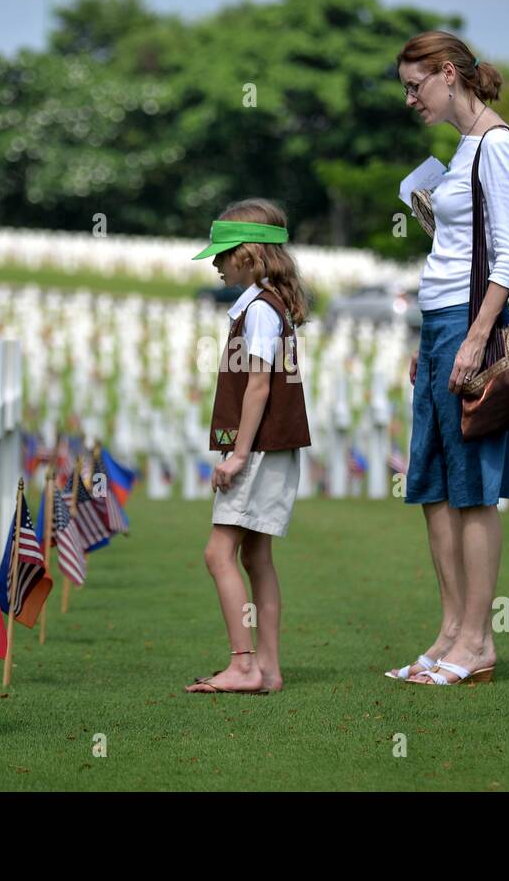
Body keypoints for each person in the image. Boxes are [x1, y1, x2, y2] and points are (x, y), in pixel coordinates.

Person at [389, 31, 509, 686]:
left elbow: (508, 257)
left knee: (473, 491)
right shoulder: (463, 148)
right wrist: (429, 339)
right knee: (435, 488)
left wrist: (474, 340)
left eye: (417, 85)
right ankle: (449, 634)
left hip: (472, 329)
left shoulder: (497, 145)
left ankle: (477, 641)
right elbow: (453, 254)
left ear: (449, 73)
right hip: (439, 325)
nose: (411, 99)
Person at [184, 199, 311, 695]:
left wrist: (237, 454)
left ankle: (242, 665)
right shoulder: (270, 306)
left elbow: (259, 384)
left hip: (255, 449)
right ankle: (268, 670)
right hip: (274, 447)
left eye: (224, 252)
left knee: (219, 554)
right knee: (256, 557)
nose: (216, 262)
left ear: (250, 256)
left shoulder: (258, 310)